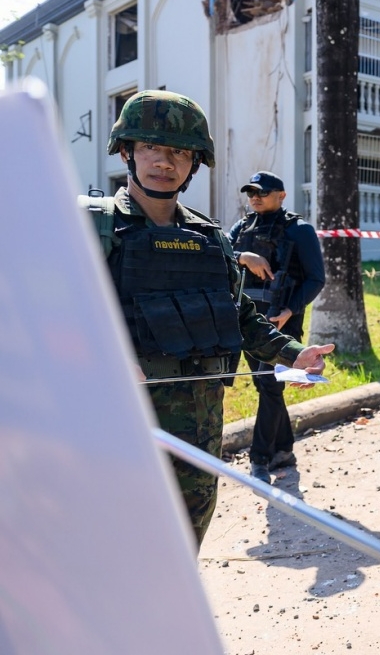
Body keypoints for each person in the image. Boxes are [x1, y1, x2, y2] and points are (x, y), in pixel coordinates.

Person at [81, 90, 333, 547]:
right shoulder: (90, 226)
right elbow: (45, 320)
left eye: (179, 152)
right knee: (115, 554)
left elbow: (240, 316)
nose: (165, 162)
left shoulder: (209, 236)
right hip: (120, 432)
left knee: (183, 551)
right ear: (127, 151)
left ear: (194, 163)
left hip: (200, 432)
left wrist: (294, 352)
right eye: (151, 148)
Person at [228, 171, 326, 482]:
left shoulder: (299, 230)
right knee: (265, 385)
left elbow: (315, 278)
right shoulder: (241, 228)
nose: (254, 197)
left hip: (280, 322)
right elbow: (221, 259)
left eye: (262, 192)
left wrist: (290, 309)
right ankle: (284, 448)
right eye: (250, 193)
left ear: (281, 196)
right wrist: (244, 256)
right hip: (246, 321)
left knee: (270, 385)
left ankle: (260, 459)